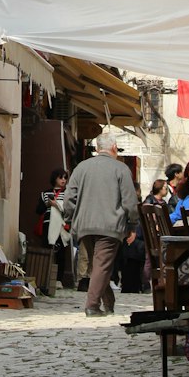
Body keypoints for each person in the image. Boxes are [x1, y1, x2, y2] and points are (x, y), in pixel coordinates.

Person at [62, 131, 139, 317]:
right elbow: (130, 201)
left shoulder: (81, 167)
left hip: (84, 225)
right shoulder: (121, 169)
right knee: (102, 266)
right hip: (110, 225)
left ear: (97, 148)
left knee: (97, 266)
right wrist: (132, 224)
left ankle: (109, 303)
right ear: (114, 148)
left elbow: (69, 198)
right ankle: (92, 305)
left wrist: (69, 219)